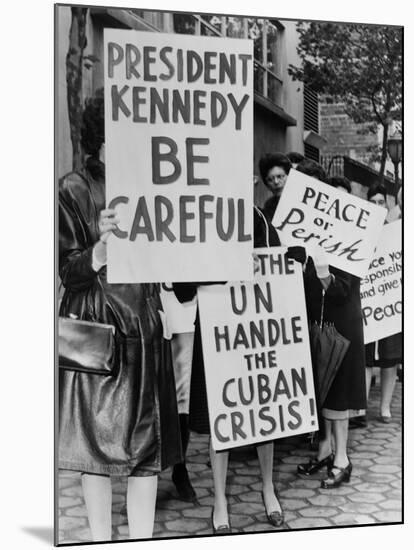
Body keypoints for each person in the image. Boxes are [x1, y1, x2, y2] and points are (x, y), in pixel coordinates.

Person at [58, 91, 182, 541]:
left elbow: (173, 265)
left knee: (145, 449)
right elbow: (67, 270)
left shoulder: (157, 186)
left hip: (145, 329)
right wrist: (99, 250)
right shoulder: (72, 188)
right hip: (93, 330)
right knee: (93, 447)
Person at [173, 207, 284, 534]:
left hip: (255, 330)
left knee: (261, 410)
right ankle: (219, 499)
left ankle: (268, 488)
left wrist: (288, 260)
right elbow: (182, 289)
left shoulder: (258, 218)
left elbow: (279, 270)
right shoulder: (195, 220)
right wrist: (224, 270)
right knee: (221, 415)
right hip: (214, 331)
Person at [293, 166, 367, 489]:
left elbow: (343, 289)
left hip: (342, 325)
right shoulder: (304, 229)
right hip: (317, 321)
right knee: (322, 391)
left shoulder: (350, 233)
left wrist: (324, 273)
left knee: (337, 394)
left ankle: (342, 459)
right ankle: (326, 451)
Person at [360, 184, 402, 425]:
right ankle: (362, 407)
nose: (376, 206)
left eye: (380, 203)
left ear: (386, 206)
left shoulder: (395, 233)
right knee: (365, 358)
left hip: (390, 304)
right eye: (372, 202)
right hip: (367, 305)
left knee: (390, 357)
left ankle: (385, 407)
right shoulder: (359, 232)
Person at [258, 153, 292, 221]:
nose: (276, 182)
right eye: (270, 179)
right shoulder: (269, 206)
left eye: (280, 176)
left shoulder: (305, 198)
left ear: (290, 176)